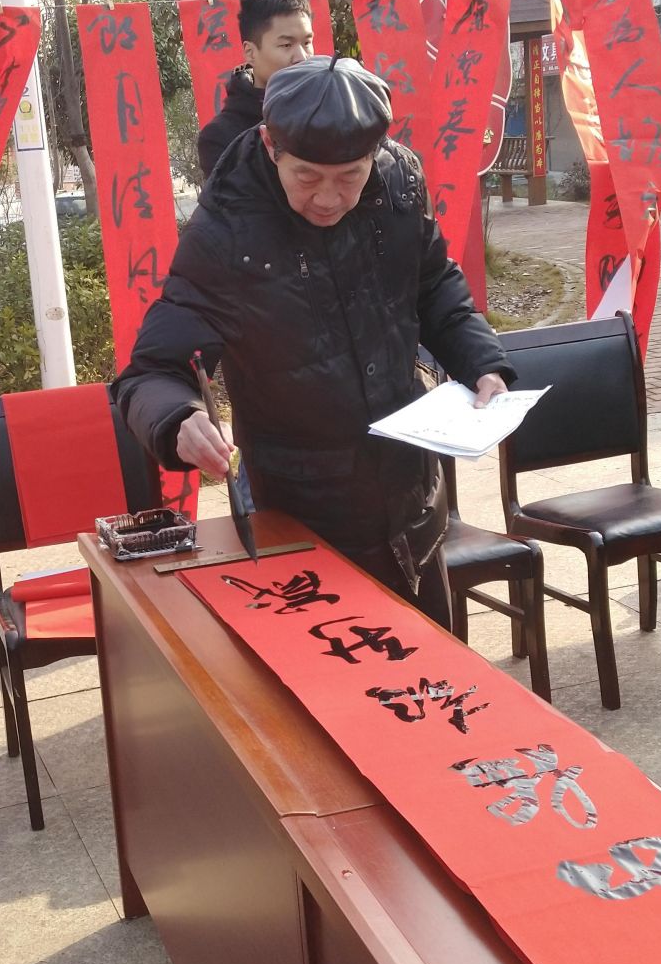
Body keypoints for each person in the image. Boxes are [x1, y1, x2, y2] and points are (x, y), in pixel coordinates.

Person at [116, 55, 512, 627]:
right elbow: (151, 371)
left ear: (375, 153)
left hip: (412, 499)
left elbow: (433, 286)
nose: (328, 197)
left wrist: (481, 361)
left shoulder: (398, 183)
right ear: (271, 145)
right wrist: (179, 418)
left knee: (433, 669)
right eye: (307, 177)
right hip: (301, 513)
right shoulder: (227, 232)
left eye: (350, 176)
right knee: (331, 670)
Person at [195, 0, 317, 178]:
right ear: (250, 52)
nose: (302, 57)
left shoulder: (332, 108)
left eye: (307, 42)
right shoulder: (221, 137)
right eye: (286, 45)